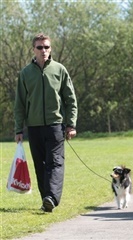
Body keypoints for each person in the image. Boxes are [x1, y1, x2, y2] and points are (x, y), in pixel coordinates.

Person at [14, 33, 78, 212]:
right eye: (40, 47)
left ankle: (52, 197)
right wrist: (19, 129)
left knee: (55, 162)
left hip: (55, 126)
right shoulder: (25, 73)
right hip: (34, 127)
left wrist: (71, 124)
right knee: (40, 165)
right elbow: (19, 104)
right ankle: (46, 200)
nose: (44, 50)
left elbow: (70, 100)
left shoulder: (59, 70)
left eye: (47, 47)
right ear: (33, 50)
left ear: (50, 49)